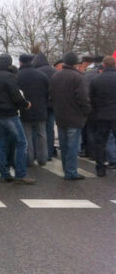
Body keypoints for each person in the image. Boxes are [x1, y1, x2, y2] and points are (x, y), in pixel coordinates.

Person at [0, 53, 35, 184]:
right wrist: (25, 104)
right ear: (9, 63)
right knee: (21, 142)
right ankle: (21, 174)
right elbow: (16, 95)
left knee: (1, 143)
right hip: (9, 113)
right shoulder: (10, 77)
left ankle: (4, 173)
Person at [50, 52, 91, 180]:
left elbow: (51, 96)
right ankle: (71, 172)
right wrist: (87, 111)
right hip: (75, 115)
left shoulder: (56, 76)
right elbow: (83, 98)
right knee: (73, 146)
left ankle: (66, 168)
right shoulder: (78, 77)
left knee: (64, 145)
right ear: (75, 63)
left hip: (60, 115)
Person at [17, 54, 49, 168]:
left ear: (20, 62)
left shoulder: (17, 76)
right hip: (41, 109)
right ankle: (43, 158)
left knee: (27, 136)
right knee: (42, 135)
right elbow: (47, 93)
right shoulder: (42, 75)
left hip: (25, 110)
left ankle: (29, 159)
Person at [90, 56, 116, 176]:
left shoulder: (96, 80)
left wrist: (96, 111)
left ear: (104, 65)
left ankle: (100, 168)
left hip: (101, 115)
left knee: (100, 142)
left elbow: (91, 98)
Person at [32, 53, 57, 160]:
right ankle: (49, 153)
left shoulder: (36, 73)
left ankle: (37, 153)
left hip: (39, 105)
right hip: (52, 105)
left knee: (36, 130)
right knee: (49, 129)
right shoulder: (54, 72)